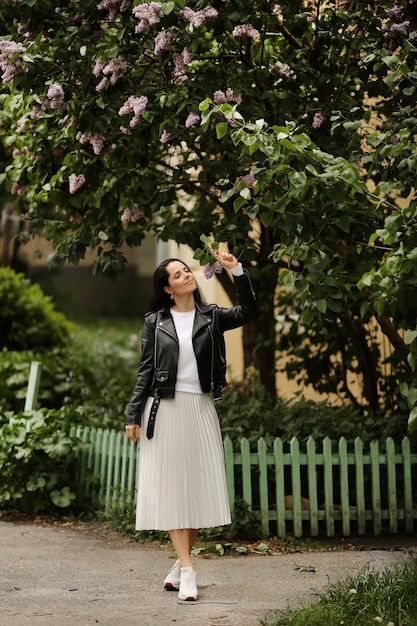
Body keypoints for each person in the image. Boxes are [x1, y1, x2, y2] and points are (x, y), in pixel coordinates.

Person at [125, 248, 256, 601]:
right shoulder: (155, 322)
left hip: (199, 407)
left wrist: (237, 271)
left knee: (194, 489)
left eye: (187, 270)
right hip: (163, 408)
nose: (186, 274)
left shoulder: (212, 316)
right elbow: (146, 371)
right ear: (167, 288)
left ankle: (181, 564)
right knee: (172, 489)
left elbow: (249, 311)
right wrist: (132, 414)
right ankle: (187, 570)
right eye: (178, 273)